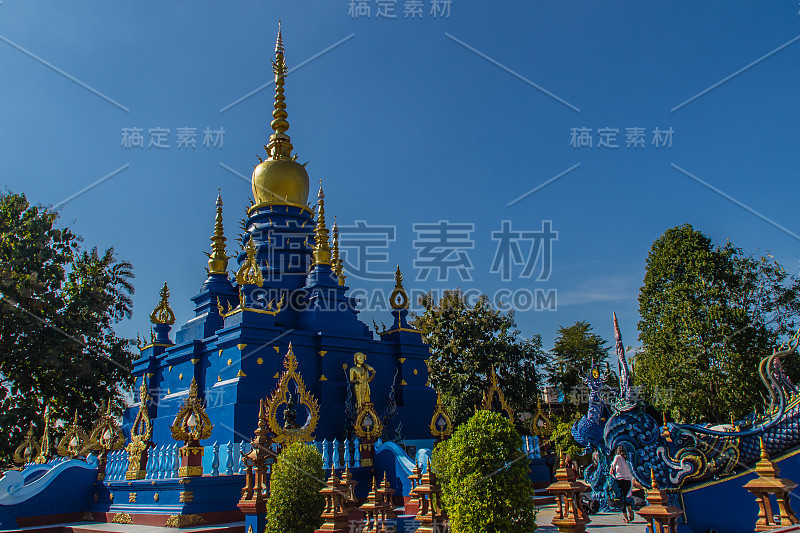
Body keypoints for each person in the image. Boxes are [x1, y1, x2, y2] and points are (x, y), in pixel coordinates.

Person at [610, 446, 635, 523]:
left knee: (621, 499)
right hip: (628, 481)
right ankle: (630, 509)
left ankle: (626, 518)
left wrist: (611, 473)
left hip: (620, 480)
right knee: (626, 497)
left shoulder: (617, 457)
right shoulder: (626, 459)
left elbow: (613, 465)